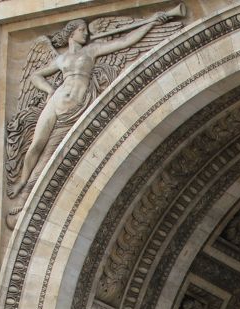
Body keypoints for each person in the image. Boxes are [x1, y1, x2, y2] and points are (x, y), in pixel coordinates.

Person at [10, 11, 176, 197]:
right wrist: (49, 90)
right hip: (56, 101)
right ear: (71, 33)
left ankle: (29, 192)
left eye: (86, 31)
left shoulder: (92, 50)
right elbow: (35, 75)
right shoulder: (60, 59)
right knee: (37, 144)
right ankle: (23, 182)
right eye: (82, 30)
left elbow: (125, 41)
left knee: (51, 152)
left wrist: (150, 23)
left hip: (75, 107)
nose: (86, 34)